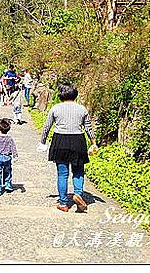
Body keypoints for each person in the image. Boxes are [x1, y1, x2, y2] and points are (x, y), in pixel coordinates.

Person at [37, 83, 97, 212]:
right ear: (75, 95)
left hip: (60, 141)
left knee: (62, 174)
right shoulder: (82, 109)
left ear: (60, 95)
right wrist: (93, 143)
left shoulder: (55, 108)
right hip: (78, 141)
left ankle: (63, 203)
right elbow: (88, 128)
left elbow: (47, 127)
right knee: (78, 171)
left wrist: (42, 142)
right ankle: (78, 195)